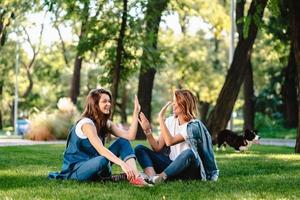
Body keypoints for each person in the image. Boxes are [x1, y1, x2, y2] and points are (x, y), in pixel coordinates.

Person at [48, 88, 149, 187]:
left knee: (123, 142)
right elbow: (101, 149)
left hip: (94, 162)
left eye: (109, 101)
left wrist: (136, 112)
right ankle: (107, 177)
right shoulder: (86, 124)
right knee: (102, 160)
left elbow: (129, 136)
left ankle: (135, 177)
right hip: (76, 169)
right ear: (95, 105)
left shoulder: (105, 123)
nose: (109, 104)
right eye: (104, 101)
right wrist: (122, 164)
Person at [135, 89, 219, 184]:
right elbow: (157, 148)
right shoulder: (170, 121)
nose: (173, 104)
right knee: (139, 149)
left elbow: (170, 141)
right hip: (171, 165)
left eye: (176, 101)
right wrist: (147, 131)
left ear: (184, 104)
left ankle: (161, 177)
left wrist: (160, 119)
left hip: (190, 169)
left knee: (189, 153)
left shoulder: (194, 126)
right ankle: (152, 178)